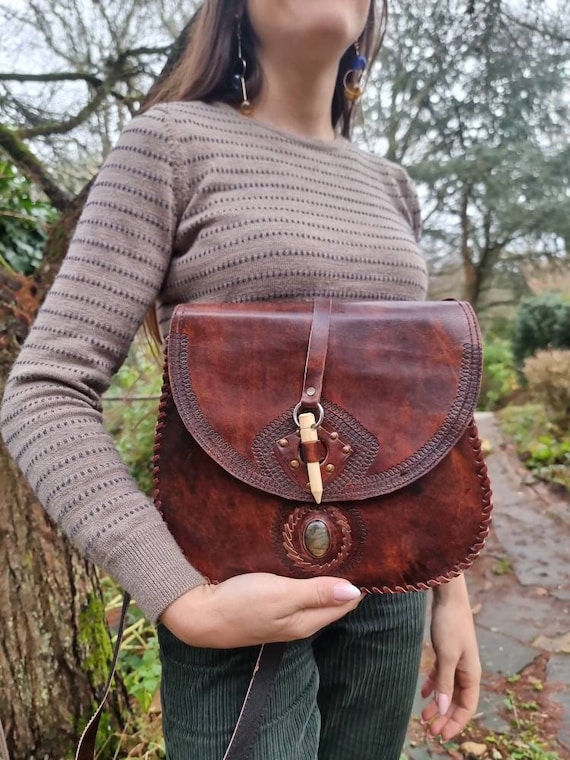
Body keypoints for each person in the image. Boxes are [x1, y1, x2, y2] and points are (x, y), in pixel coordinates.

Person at [0, 1, 481, 758]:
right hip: (231, 585)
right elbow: (45, 391)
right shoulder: (171, 142)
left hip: (394, 595)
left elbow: (417, 409)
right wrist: (181, 598)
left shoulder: (393, 188)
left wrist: (449, 586)